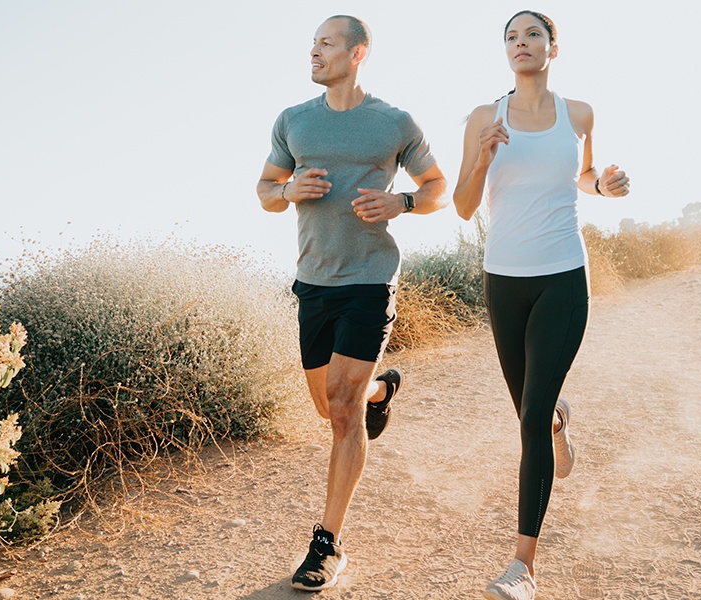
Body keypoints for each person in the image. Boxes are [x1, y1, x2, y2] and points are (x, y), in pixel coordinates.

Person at [256, 14, 448, 592]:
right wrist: (287, 190)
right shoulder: (294, 121)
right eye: (312, 44)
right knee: (328, 405)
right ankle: (382, 389)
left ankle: (327, 542)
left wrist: (403, 203)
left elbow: (438, 187)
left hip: (370, 278)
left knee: (342, 410)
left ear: (358, 52)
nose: (313, 52)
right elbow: (264, 191)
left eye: (326, 43)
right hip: (314, 281)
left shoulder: (393, 123)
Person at [453, 10, 630, 600]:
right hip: (504, 280)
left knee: (526, 418)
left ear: (554, 47)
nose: (520, 43)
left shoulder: (579, 113)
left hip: (562, 276)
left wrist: (601, 184)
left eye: (531, 34)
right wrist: (481, 155)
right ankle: (558, 419)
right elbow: (461, 205)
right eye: (510, 37)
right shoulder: (484, 117)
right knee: (531, 411)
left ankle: (523, 566)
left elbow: (580, 175)